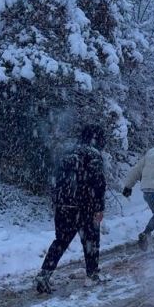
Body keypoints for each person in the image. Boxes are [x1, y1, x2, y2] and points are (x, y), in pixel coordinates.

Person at [35, 124, 107, 294]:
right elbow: (98, 184)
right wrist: (99, 208)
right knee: (91, 241)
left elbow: (55, 178)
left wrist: (58, 200)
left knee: (60, 241)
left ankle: (45, 274)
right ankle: (92, 275)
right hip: (85, 207)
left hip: (63, 205)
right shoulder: (93, 155)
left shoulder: (67, 153)